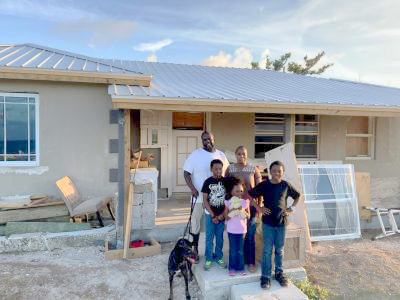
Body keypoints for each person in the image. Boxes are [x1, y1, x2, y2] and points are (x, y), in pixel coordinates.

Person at [249, 161, 300, 289]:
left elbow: (297, 196)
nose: (276, 173)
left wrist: (291, 209)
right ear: (270, 172)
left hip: (282, 223)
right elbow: (249, 195)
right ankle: (265, 276)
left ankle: (279, 273)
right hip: (268, 224)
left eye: (279, 171)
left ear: (282, 173)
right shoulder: (265, 185)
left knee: (279, 250)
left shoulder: (285, 185)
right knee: (267, 251)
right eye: (274, 170)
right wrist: (259, 208)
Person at [183, 131, 229, 262]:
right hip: (198, 198)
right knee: (195, 224)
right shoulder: (195, 154)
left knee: (215, 228)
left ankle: (217, 253)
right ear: (201, 141)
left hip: (217, 200)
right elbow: (186, 173)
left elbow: (227, 172)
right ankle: (195, 251)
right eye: (204, 140)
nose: (207, 141)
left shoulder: (221, 155)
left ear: (214, 139)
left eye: (209, 139)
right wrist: (192, 188)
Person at [225, 146, 261, 273]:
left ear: (247, 155)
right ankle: (237, 262)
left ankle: (250, 261)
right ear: (235, 155)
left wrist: (258, 207)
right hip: (235, 208)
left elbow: (259, 188)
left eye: (244, 154)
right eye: (239, 154)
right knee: (238, 234)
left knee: (250, 235)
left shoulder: (253, 168)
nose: (241, 156)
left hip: (249, 206)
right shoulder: (231, 169)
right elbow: (226, 186)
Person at [201, 159, 227, 270]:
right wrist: (213, 215)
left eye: (220, 169)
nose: (218, 171)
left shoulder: (226, 181)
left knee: (220, 237)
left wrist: (221, 215)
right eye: (216, 169)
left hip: (222, 214)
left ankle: (219, 256)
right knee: (209, 237)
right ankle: (208, 258)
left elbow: (229, 199)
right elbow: (205, 201)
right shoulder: (207, 182)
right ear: (211, 169)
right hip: (209, 215)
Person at [224, 177, 250, 276]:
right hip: (231, 230)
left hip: (242, 230)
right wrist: (232, 210)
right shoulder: (228, 202)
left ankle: (241, 267)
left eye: (241, 191)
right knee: (232, 250)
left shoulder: (245, 202)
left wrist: (242, 211)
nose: (239, 193)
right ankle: (232, 268)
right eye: (237, 191)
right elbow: (226, 217)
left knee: (240, 250)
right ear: (231, 192)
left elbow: (248, 216)